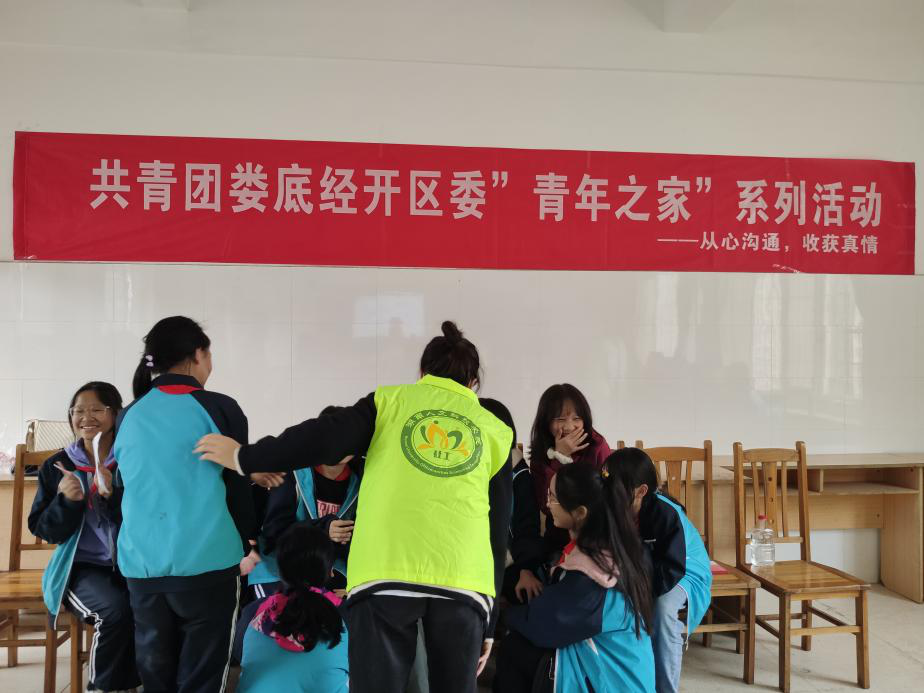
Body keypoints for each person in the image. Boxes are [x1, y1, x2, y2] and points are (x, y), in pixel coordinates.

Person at [196, 321, 513, 693]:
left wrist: (245, 457)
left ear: (422, 372)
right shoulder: (495, 430)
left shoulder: (389, 402)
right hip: (464, 581)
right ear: (473, 383)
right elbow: (498, 530)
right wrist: (489, 622)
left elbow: (321, 436)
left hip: (385, 573)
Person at [114, 316, 256, 693]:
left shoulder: (129, 414)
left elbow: (125, 486)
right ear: (198, 354)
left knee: (155, 670)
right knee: (203, 675)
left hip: (142, 564)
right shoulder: (221, 408)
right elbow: (237, 485)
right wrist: (248, 539)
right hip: (207, 560)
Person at [494, 461, 655, 693]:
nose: (547, 503)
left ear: (580, 513)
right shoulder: (613, 545)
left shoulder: (593, 576)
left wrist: (505, 615)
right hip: (617, 660)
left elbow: (546, 625)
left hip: (612, 681)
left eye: (553, 498)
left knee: (514, 649)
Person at [29, 381, 141, 693]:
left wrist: (113, 495)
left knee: (157, 607)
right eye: (78, 411)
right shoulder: (58, 465)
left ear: (115, 414)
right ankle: (101, 687)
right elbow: (43, 529)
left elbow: (149, 518)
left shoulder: (132, 460)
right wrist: (67, 502)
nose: (86, 418)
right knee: (115, 611)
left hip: (132, 564)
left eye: (96, 410)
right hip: (81, 569)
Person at [607, 448, 712, 693]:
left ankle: (666, 688)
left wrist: (642, 593)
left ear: (641, 491)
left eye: (616, 487)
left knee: (663, 609)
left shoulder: (665, 513)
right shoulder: (613, 505)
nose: (608, 492)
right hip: (644, 570)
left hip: (685, 571)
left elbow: (673, 567)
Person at [237, 522, 349, 693]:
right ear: (330, 571)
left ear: (280, 570)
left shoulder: (253, 612)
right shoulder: (347, 614)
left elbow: (239, 655)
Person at [528, 384, 612, 558]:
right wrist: (560, 457)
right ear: (546, 421)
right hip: (558, 539)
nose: (569, 426)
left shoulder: (597, 446)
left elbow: (607, 499)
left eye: (576, 418)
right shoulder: (541, 452)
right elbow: (547, 505)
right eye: (560, 419)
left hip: (596, 538)